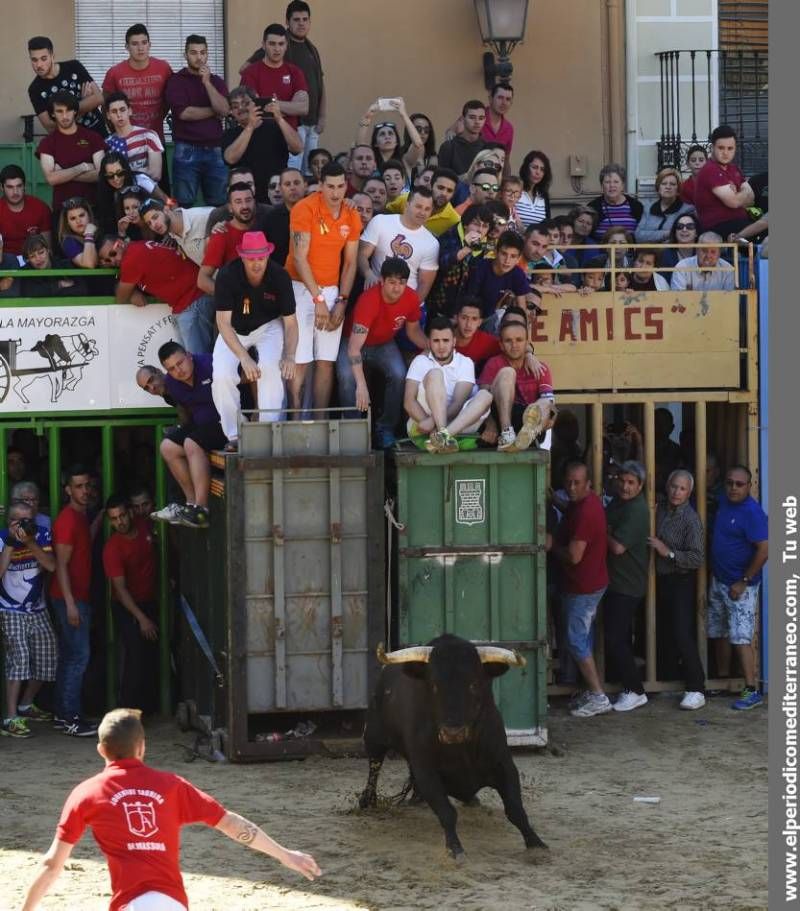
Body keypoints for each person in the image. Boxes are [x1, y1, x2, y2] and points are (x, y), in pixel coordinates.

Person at [21, 707, 320, 910]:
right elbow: (231, 823)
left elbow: (52, 864)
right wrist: (285, 855)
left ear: (101, 749)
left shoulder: (85, 793)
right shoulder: (172, 786)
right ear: (142, 747)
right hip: (172, 904)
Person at [284, 161, 361, 411]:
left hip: (332, 290)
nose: (336, 193)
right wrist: (318, 300)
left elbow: (350, 263)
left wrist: (342, 301)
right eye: (330, 187)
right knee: (301, 360)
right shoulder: (304, 208)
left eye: (340, 186)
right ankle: (295, 423)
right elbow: (298, 257)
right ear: (320, 185)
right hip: (300, 288)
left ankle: (320, 422)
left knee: (326, 361)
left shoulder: (352, 214)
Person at [212, 231, 299, 442]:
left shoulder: (279, 275)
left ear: (268, 256)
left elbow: (290, 322)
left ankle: (269, 431)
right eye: (251, 258)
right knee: (222, 376)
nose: (256, 263)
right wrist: (243, 356)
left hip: (267, 326)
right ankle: (234, 434)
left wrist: (289, 355)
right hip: (233, 330)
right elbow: (222, 322)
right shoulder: (227, 275)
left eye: (261, 257)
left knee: (270, 367)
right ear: (242, 256)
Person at [338, 257, 427, 449]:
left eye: (401, 283)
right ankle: (352, 428)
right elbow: (353, 349)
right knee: (347, 378)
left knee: (399, 374)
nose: (397, 288)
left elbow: (413, 332)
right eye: (392, 282)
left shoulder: (411, 298)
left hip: (384, 344)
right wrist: (361, 385)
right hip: (353, 344)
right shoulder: (369, 301)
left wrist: (433, 347)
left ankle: (385, 428)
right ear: (382, 281)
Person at [553, 461, 611, 717]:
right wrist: (555, 500)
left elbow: (574, 556)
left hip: (584, 587)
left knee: (576, 641)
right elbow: (570, 509)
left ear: (589, 484)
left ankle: (599, 696)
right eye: (569, 482)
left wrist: (550, 545)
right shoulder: (583, 503)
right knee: (582, 638)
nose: (572, 487)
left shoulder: (587, 512)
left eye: (577, 482)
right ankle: (591, 689)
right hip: (584, 584)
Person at [708, 465, 768, 711]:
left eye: (739, 484)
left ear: (749, 486)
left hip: (740, 586)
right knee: (719, 631)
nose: (733, 487)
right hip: (719, 580)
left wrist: (743, 581)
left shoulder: (752, 513)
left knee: (741, 637)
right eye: (730, 482)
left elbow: (765, 549)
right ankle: (722, 680)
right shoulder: (723, 501)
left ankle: (751, 690)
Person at [151, 341, 227, 529]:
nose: (179, 370)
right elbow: (185, 410)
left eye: (180, 363)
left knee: (191, 443)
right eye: (172, 368)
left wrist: (256, 413)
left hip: (226, 422)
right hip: (202, 424)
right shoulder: (171, 383)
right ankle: (191, 504)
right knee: (167, 447)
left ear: (189, 355)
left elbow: (247, 379)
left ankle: (202, 510)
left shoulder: (211, 363)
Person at [648, 469, 706, 710]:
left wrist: (668, 552)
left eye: (682, 488)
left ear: (689, 492)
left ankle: (697, 689)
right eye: (673, 486)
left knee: (683, 633)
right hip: (661, 580)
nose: (676, 492)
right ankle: (667, 681)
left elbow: (697, 557)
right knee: (663, 631)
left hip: (680, 580)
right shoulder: (660, 507)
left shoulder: (690, 519)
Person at [97, 235, 211, 355]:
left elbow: (121, 298)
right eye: (108, 261)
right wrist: (131, 291)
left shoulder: (131, 258)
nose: (113, 261)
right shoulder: (136, 248)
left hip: (193, 300)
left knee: (197, 361)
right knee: (191, 360)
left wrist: (129, 292)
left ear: (119, 243)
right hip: (189, 302)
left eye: (112, 254)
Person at [0, 500, 57, 738]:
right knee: (19, 658)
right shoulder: (3, 538)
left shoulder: (41, 534)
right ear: (10, 521)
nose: (24, 524)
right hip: (9, 608)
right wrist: (12, 544)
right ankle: (11, 718)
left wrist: (30, 541)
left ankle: (26, 704)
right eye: (19, 520)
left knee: (49, 657)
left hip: (37, 607)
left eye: (28, 520)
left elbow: (51, 566)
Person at [49, 464, 97, 737]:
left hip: (75, 597)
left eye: (87, 485)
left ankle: (63, 714)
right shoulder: (68, 519)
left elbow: (83, 545)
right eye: (78, 486)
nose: (85, 490)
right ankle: (70, 717)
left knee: (71, 656)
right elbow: (61, 565)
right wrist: (69, 603)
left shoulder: (80, 517)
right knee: (78, 657)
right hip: (70, 598)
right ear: (68, 490)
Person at [102, 494, 159, 714]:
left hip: (150, 601)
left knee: (150, 657)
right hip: (127, 607)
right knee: (135, 658)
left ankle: (147, 709)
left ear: (130, 513)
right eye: (114, 519)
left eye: (122, 515)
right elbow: (120, 589)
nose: (120, 522)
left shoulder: (145, 527)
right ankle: (125, 713)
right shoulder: (112, 548)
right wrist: (142, 619)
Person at [404, 317, 493, 454]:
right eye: (436, 341)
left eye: (446, 340)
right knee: (435, 374)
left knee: (485, 395)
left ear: (454, 342)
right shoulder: (420, 361)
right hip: (423, 422)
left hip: (458, 423)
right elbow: (409, 402)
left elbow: (458, 403)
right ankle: (442, 434)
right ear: (429, 342)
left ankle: (443, 436)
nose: (441, 346)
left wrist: (432, 422)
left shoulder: (465, 362)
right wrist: (428, 423)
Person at [604, 461, 650, 712]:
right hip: (617, 582)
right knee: (617, 637)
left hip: (627, 584)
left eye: (631, 483)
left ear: (640, 486)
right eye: (622, 480)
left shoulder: (637, 510)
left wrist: (604, 530)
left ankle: (636, 690)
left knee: (616, 638)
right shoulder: (619, 502)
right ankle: (627, 686)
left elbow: (618, 547)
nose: (625, 486)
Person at [165, 34, 229, 208]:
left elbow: (224, 110)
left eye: (202, 52)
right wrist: (213, 111)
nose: (198, 57)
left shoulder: (216, 81)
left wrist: (207, 83)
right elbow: (185, 113)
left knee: (219, 203)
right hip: (186, 149)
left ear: (207, 54)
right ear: (185, 55)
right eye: (193, 52)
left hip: (215, 149)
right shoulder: (176, 81)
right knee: (184, 204)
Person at [477, 314, 555, 452]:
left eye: (519, 340)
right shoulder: (494, 363)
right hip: (502, 418)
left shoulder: (540, 367)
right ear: (501, 345)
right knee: (508, 372)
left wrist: (549, 417)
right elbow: (482, 399)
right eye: (508, 341)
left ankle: (524, 439)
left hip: (529, 420)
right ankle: (508, 434)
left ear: (527, 343)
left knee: (548, 404)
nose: (514, 345)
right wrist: (490, 424)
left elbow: (549, 404)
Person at [222, 86, 302, 204]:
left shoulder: (275, 126)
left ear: (255, 104)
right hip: (247, 198)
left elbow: (298, 147)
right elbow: (230, 159)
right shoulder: (230, 134)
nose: (240, 108)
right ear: (231, 112)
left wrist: (279, 118)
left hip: (276, 194)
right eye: (235, 106)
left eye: (245, 103)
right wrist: (250, 126)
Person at [358, 186, 439, 301]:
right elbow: (361, 254)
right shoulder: (381, 221)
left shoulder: (432, 243)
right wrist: (368, 273)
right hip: (376, 296)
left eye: (427, 209)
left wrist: (410, 309)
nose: (422, 212)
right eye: (418, 207)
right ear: (407, 205)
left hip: (405, 302)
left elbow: (424, 284)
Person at [102, 24, 173, 151]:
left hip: (155, 139)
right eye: (134, 44)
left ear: (149, 45)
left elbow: (170, 100)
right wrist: (118, 133)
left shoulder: (164, 68)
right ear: (127, 47)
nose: (140, 48)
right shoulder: (114, 73)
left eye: (144, 43)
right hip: (125, 142)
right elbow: (106, 107)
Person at [35, 92, 105, 210]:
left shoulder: (93, 137)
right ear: (52, 113)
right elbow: (51, 179)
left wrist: (63, 173)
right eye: (59, 111)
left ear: (75, 111)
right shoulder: (47, 143)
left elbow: (101, 174)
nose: (65, 116)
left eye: (68, 110)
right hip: (62, 210)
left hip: (91, 208)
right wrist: (82, 167)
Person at [27, 36, 105, 136]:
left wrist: (61, 116)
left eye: (43, 59)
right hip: (69, 143)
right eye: (34, 60)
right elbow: (50, 127)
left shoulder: (74, 67)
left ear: (52, 56)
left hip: (98, 134)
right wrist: (84, 103)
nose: (39, 65)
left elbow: (99, 98)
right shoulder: (35, 89)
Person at [427, 203, 492, 318]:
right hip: (436, 304)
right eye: (476, 224)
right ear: (466, 224)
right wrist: (467, 249)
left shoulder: (486, 247)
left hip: (462, 310)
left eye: (485, 226)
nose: (480, 230)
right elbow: (443, 263)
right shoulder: (450, 235)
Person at [240, 23, 309, 131]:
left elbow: (303, 108)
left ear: (286, 45)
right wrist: (290, 107)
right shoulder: (250, 72)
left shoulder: (295, 72)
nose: (277, 49)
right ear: (263, 45)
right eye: (272, 44)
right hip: (260, 136)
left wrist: (275, 104)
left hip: (289, 138)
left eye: (281, 44)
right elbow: (254, 108)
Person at [693, 124, 753, 237]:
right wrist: (744, 191)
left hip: (740, 227)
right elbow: (734, 202)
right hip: (719, 231)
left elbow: (751, 199)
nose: (725, 153)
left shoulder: (734, 169)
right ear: (712, 148)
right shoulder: (710, 170)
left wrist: (738, 194)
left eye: (730, 148)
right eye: (721, 148)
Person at [465, 230, 530, 322]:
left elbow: (521, 308)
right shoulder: (480, 268)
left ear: (518, 259)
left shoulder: (518, 274)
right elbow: (469, 301)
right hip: (474, 318)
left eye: (513, 256)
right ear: (495, 252)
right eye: (504, 254)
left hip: (498, 320)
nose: (507, 260)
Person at [103, 94, 164, 185]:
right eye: (114, 111)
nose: (119, 115)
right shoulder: (107, 143)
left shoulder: (148, 136)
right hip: (119, 196)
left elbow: (156, 174)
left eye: (122, 110)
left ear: (130, 111)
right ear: (108, 115)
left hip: (147, 194)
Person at [384, 167, 460, 237]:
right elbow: (385, 215)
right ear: (431, 186)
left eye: (449, 191)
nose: (444, 193)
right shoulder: (407, 199)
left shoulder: (454, 220)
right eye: (440, 188)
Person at [139, 197, 213, 268]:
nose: (154, 225)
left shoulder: (204, 217)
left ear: (166, 210)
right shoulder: (172, 234)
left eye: (155, 217)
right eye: (149, 223)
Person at [355, 98, 424, 173]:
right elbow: (360, 147)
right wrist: (367, 117)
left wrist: (404, 115)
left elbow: (418, 144)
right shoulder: (370, 163)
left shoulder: (405, 161)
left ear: (397, 141)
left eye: (390, 133)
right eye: (382, 134)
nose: (387, 137)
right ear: (375, 143)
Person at [0, 165, 52, 257]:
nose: (15, 192)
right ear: (2, 188)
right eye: (10, 187)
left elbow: (47, 247)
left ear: (24, 186)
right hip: (5, 261)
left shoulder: (40, 207)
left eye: (19, 186)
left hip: (33, 259)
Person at [635, 167, 695, 244]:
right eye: (664, 184)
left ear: (678, 189)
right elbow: (638, 236)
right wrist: (667, 233)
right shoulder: (648, 208)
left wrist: (649, 235)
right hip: (648, 253)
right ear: (658, 187)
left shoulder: (687, 210)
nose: (668, 187)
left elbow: (685, 237)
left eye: (672, 184)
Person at [587, 163, 644, 242]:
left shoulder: (636, 206)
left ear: (623, 185)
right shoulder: (593, 207)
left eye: (616, 182)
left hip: (630, 253)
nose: (612, 185)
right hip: (600, 253)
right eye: (607, 182)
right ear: (602, 186)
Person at [262, 167, 306, 266]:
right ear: (281, 189)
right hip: (280, 275)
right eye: (287, 184)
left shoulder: (316, 212)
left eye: (296, 183)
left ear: (305, 185)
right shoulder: (270, 218)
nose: (292, 187)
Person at [20, 234, 85, 297]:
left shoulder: (64, 265)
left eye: (41, 252)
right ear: (28, 259)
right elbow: (29, 292)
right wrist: (59, 285)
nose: (38, 258)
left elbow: (82, 290)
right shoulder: (25, 271)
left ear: (48, 250)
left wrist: (47, 292)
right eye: (32, 256)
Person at [670, 232, 736, 291]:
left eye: (713, 252)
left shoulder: (728, 269)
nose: (708, 256)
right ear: (697, 250)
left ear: (719, 254)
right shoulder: (682, 267)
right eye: (704, 250)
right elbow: (678, 300)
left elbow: (730, 301)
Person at [438, 100, 487, 176]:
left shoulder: (487, 148)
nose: (477, 122)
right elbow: (442, 178)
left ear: (485, 120)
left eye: (481, 118)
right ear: (463, 119)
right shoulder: (449, 147)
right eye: (472, 117)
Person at [453, 296, 501, 368]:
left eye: (474, 319)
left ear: (480, 322)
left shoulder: (487, 342)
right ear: (456, 318)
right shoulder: (443, 337)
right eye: (464, 318)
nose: (468, 324)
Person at [56, 197, 98, 269]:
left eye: (81, 215)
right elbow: (89, 264)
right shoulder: (68, 242)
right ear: (67, 223)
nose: (78, 221)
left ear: (89, 216)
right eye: (73, 218)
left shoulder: (99, 233)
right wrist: (89, 235)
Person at [515, 150, 552, 227]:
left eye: (542, 169)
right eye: (534, 167)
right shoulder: (515, 190)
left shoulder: (543, 196)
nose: (538, 172)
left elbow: (547, 226)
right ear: (526, 168)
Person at [480, 83, 514, 156]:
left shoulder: (509, 128)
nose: (504, 103)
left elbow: (505, 161)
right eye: (500, 98)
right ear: (491, 99)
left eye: (508, 99)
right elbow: (452, 133)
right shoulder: (476, 116)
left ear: (511, 103)